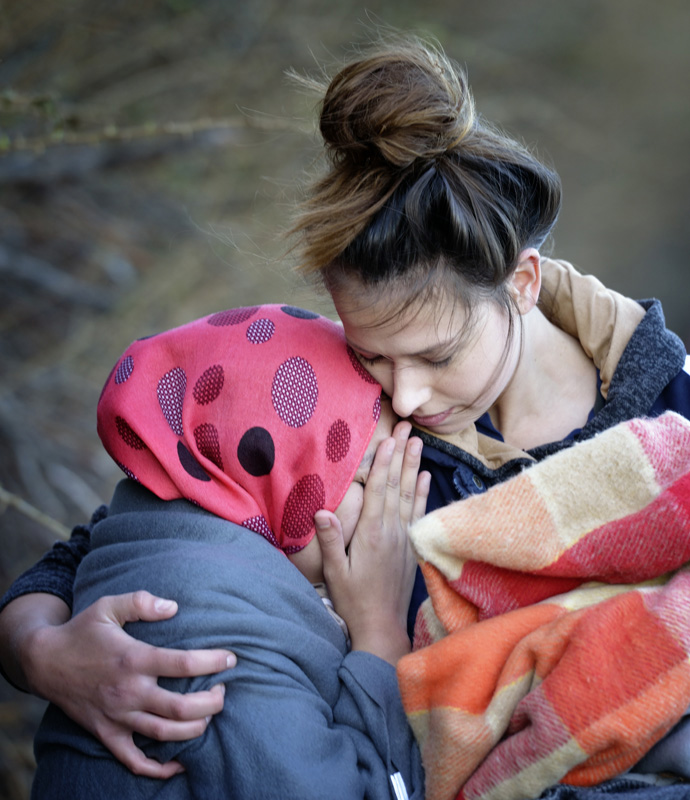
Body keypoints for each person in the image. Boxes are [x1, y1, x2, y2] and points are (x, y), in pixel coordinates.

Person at [2, 32, 689, 795]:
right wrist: (38, 649)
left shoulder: (674, 405)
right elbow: (139, 529)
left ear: (521, 282)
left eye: (437, 357)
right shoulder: (339, 415)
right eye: (373, 356)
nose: (405, 398)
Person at [30, 303, 428, 799]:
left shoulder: (164, 531)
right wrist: (381, 640)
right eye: (370, 479)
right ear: (267, 473)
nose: (393, 516)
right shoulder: (219, 648)